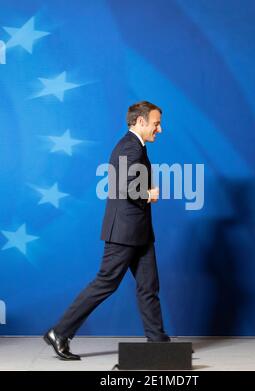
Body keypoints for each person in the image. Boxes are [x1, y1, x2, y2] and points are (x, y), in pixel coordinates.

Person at [44, 101, 170, 360]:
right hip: (124, 231)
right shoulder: (128, 146)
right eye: (156, 123)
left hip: (139, 231)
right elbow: (123, 185)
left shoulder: (137, 147)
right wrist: (147, 194)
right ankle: (60, 332)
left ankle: (158, 343)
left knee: (148, 286)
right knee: (106, 283)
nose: (160, 129)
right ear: (140, 121)